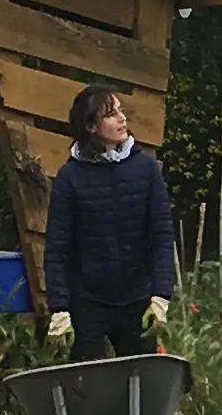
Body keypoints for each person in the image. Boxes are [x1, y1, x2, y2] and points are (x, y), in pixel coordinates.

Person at [38, 83, 178, 358]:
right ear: (91, 126)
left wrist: (161, 295)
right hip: (88, 301)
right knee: (86, 387)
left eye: (120, 111)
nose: (122, 118)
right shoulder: (70, 178)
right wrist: (60, 309)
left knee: (143, 383)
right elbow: (57, 248)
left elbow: (162, 235)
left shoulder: (146, 169)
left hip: (138, 297)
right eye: (111, 114)